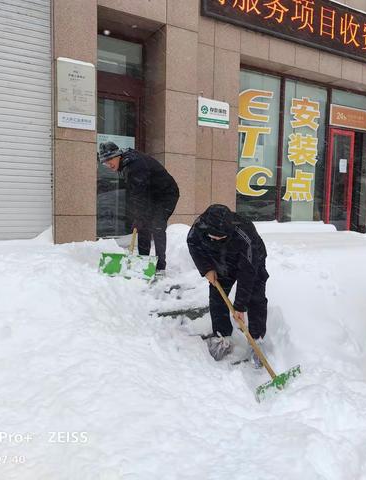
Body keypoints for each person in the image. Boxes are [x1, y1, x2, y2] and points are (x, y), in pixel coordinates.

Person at [187, 204, 269, 367]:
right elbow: (193, 245)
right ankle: (222, 336)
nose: (217, 239)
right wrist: (206, 268)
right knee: (217, 296)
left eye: (221, 237)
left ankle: (256, 341)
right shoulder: (199, 228)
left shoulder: (244, 232)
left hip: (252, 262)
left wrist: (240, 306)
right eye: (213, 236)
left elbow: (248, 273)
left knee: (255, 298)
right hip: (221, 262)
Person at [98, 142, 179, 272]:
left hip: (165, 194)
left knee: (157, 225)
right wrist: (137, 216)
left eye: (109, 159)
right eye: (104, 162)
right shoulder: (125, 163)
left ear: (118, 155)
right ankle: (144, 261)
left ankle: (160, 266)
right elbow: (135, 194)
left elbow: (139, 194)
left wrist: (138, 217)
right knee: (143, 226)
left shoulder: (135, 166)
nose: (108, 164)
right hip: (150, 194)